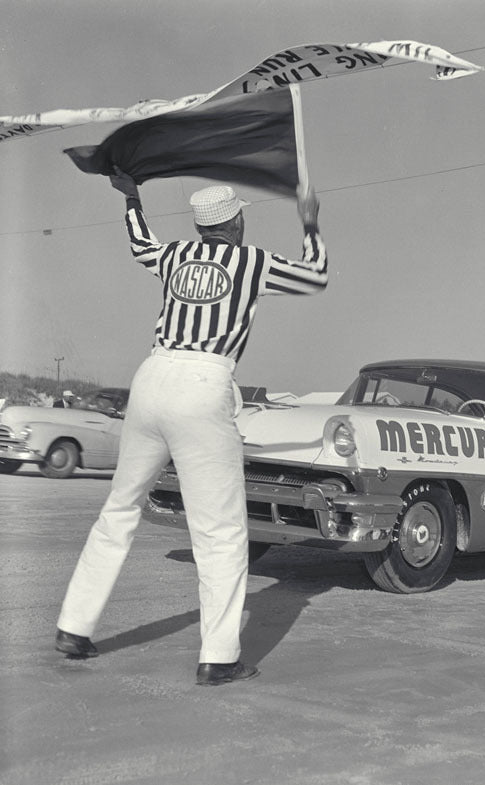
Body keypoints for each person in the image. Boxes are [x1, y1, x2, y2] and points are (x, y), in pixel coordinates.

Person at [55, 170, 328, 686]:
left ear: (204, 227)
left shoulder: (177, 255)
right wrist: (310, 221)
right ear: (236, 221)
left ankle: (74, 625)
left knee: (119, 510)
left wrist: (132, 197)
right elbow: (315, 276)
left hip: (152, 376)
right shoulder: (252, 262)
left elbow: (141, 245)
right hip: (204, 383)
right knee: (221, 531)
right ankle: (220, 657)